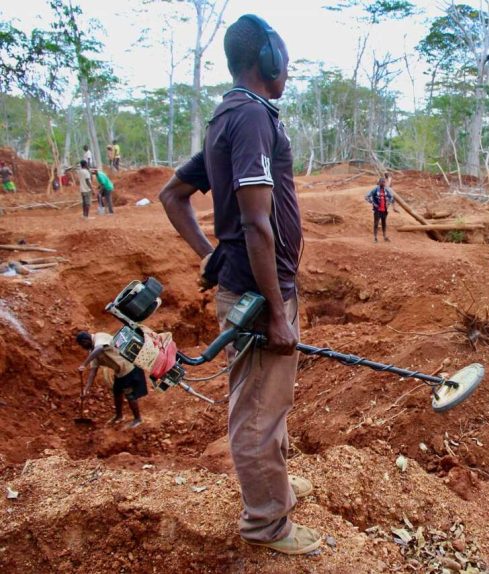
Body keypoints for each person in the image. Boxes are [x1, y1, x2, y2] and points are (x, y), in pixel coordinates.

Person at [158, 14, 321, 556]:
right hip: (259, 296)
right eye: (284, 54)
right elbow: (255, 223)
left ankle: (275, 491)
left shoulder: (230, 116)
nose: (289, 65)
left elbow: (172, 195)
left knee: (268, 401)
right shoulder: (250, 117)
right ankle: (267, 525)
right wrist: (276, 313)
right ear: (268, 58)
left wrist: (210, 255)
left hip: (257, 288)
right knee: (256, 412)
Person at [75, 331, 147, 429]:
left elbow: (99, 348)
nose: (82, 347)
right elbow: (93, 372)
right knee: (117, 392)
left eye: (82, 344)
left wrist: (84, 364)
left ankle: (137, 419)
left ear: (85, 340)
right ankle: (119, 416)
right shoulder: (92, 351)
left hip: (129, 367)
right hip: (120, 372)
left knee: (129, 394)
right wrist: (85, 390)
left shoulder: (99, 337)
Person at [365, 177, 395, 242]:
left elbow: (391, 197)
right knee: (376, 223)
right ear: (379, 182)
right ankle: (375, 238)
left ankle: (384, 237)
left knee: (384, 223)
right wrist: (372, 203)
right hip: (377, 210)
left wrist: (388, 203)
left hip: (384, 210)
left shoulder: (386, 190)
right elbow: (367, 196)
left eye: (384, 182)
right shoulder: (375, 189)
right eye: (382, 182)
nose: (383, 183)